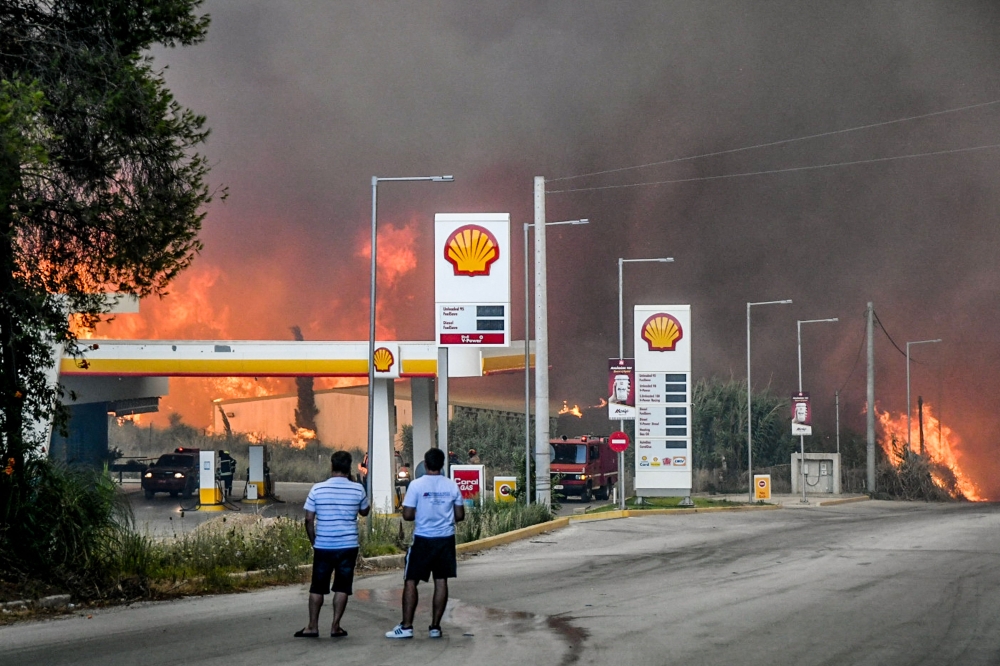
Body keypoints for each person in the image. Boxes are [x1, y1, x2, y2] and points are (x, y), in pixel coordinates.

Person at [385, 448, 464, 640]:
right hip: (445, 539)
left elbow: (408, 515)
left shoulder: (416, 485)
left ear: (425, 464)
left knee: (411, 580)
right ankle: (435, 627)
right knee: (441, 581)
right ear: (443, 464)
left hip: (422, 539)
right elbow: (460, 515)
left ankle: (407, 626)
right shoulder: (452, 486)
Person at [295, 450, 370, 639]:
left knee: (317, 587)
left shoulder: (317, 489)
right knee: (342, 587)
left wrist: (315, 541)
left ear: (331, 466)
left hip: (324, 545)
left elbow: (308, 519)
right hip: (348, 545)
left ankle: (312, 626)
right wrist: (359, 482)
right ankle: (335, 626)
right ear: (349, 467)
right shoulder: (357, 489)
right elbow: (365, 512)